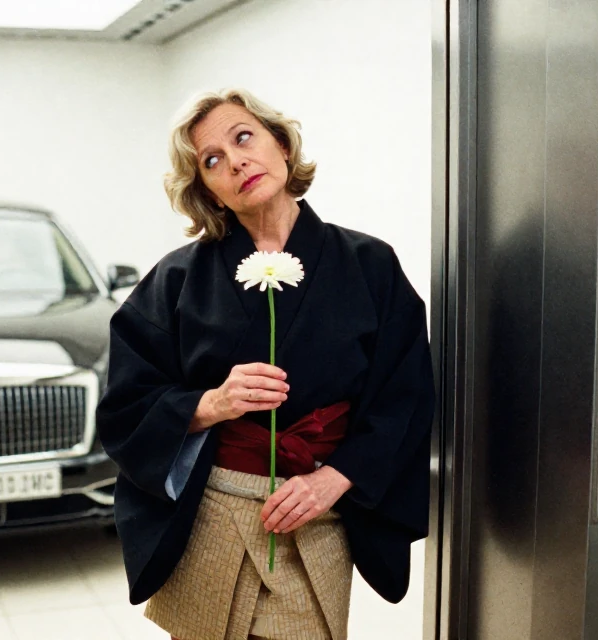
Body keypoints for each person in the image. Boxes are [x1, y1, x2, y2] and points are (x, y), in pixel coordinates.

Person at [95, 88, 435, 640]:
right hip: (212, 515)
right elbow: (126, 405)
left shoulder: (369, 264)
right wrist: (209, 404)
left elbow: (407, 394)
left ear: (279, 142)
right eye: (212, 161)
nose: (236, 162)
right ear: (207, 189)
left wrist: (335, 478)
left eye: (243, 137)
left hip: (315, 515)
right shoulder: (177, 280)